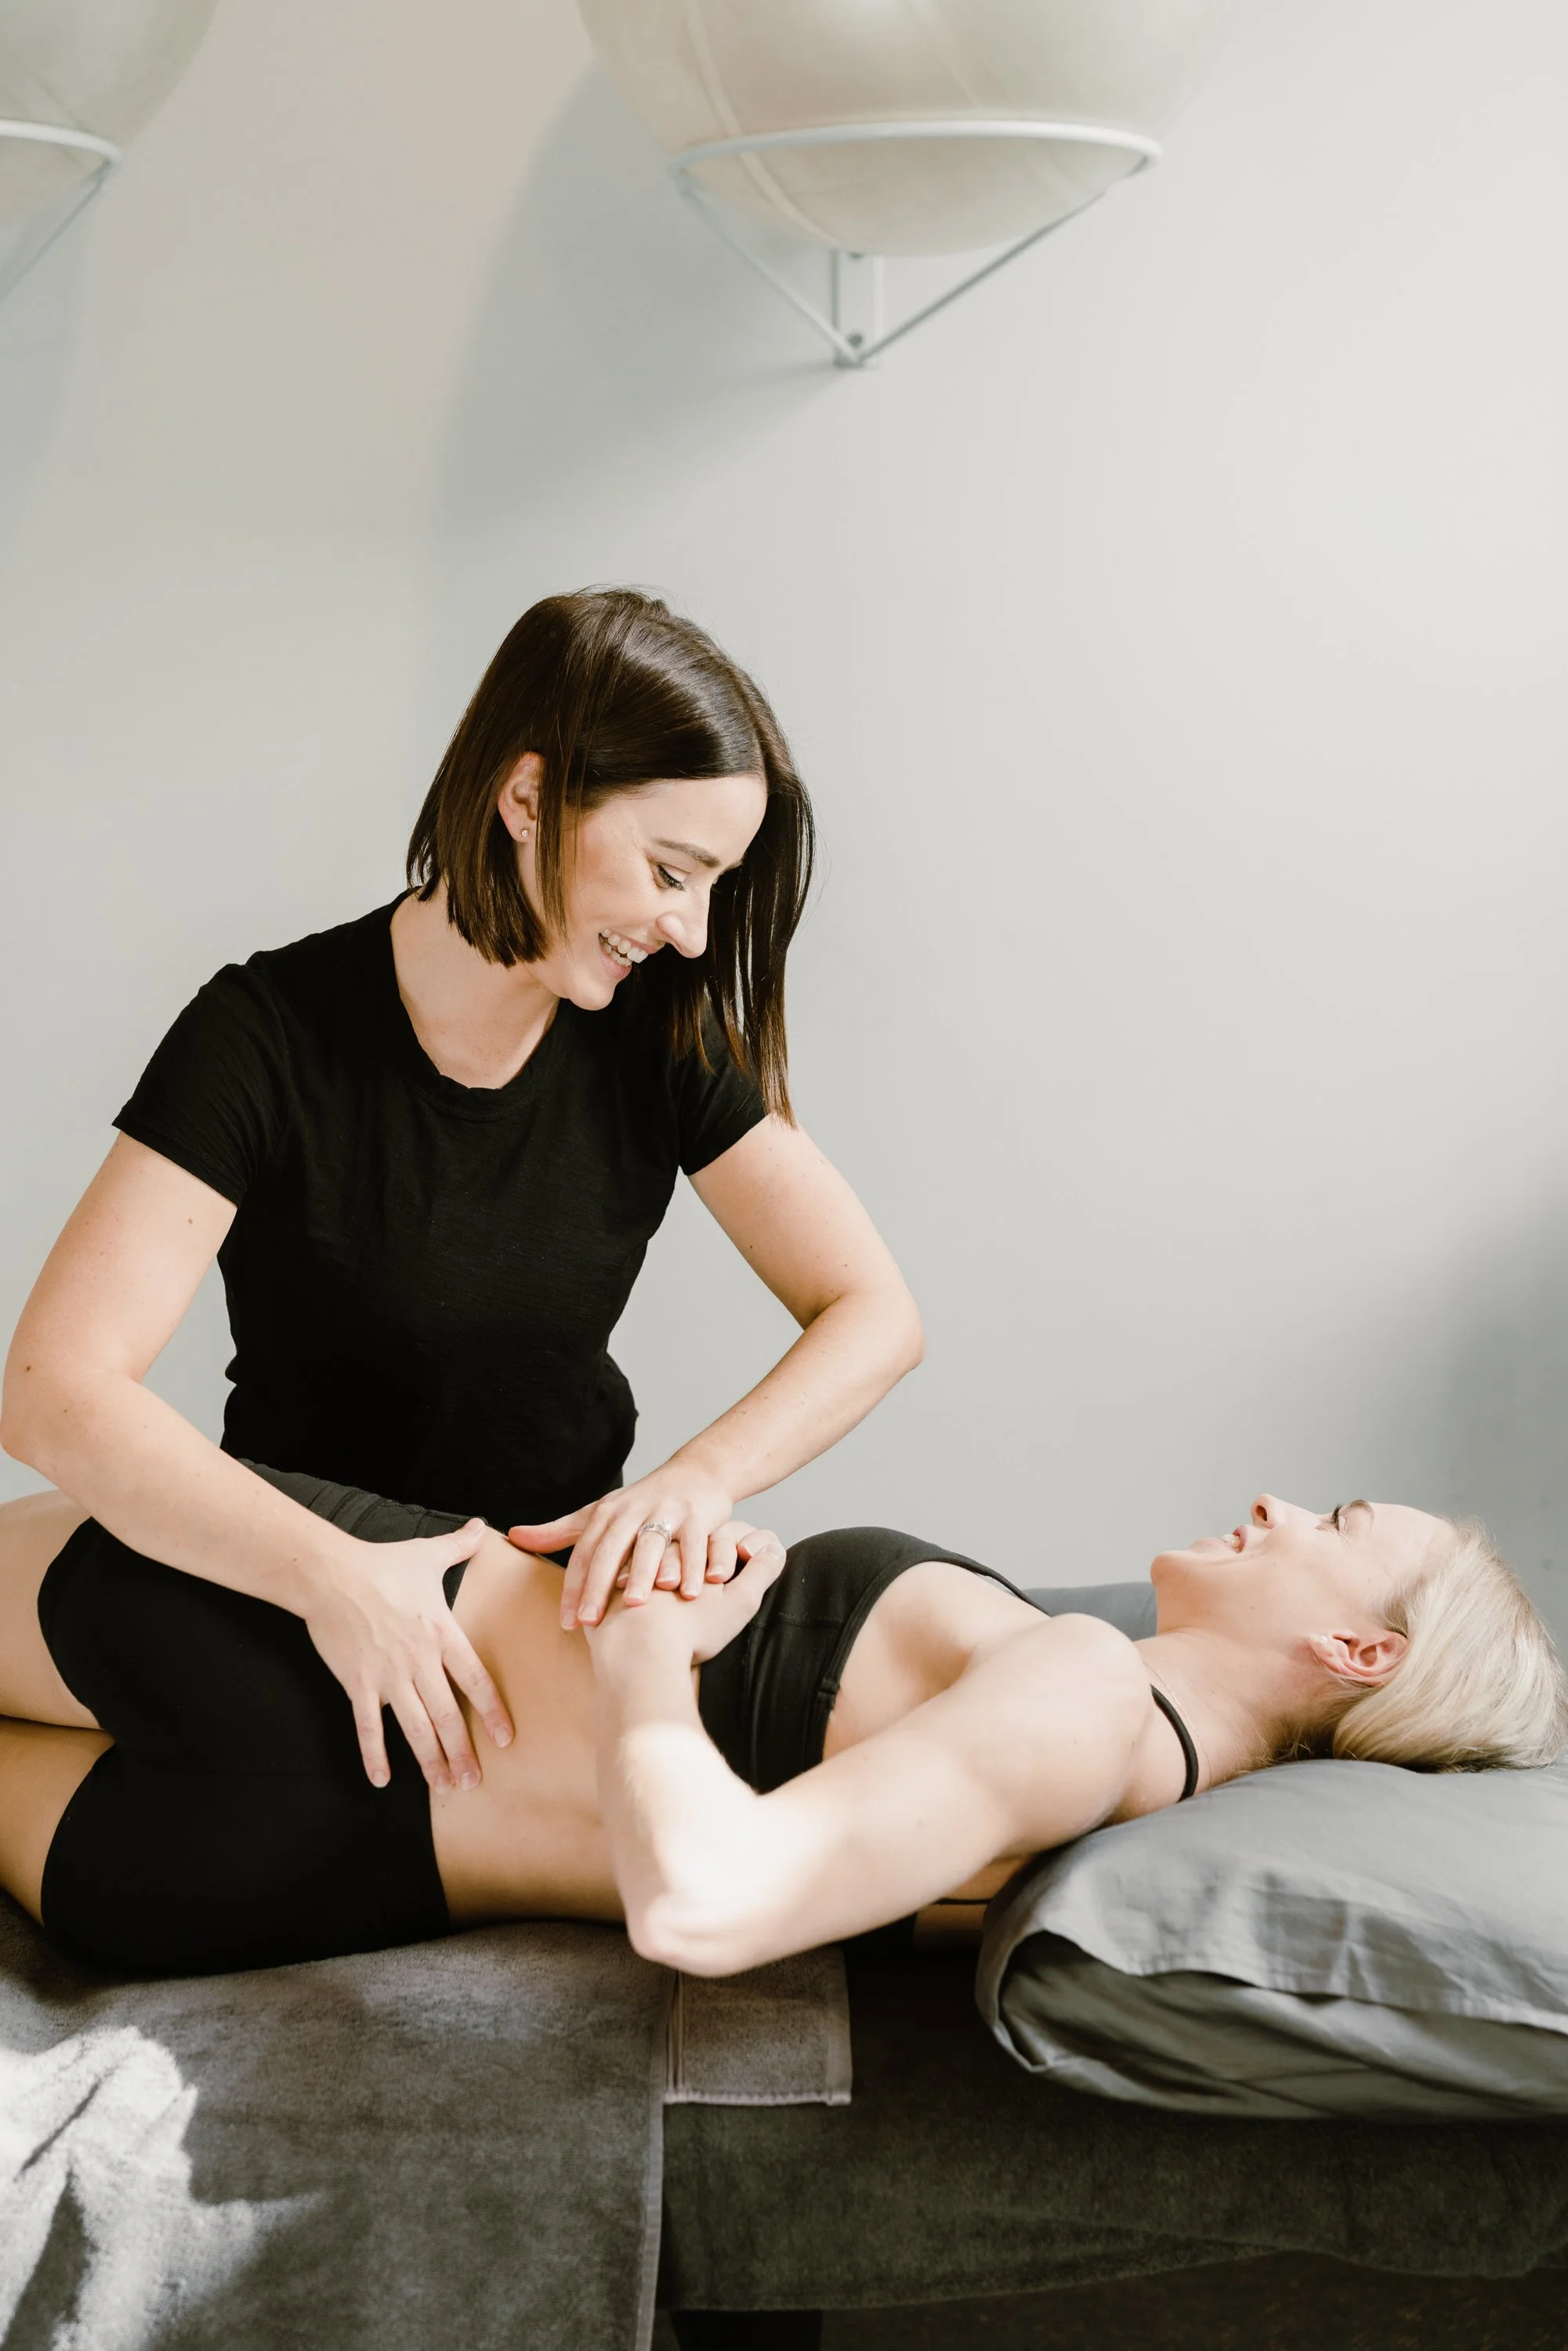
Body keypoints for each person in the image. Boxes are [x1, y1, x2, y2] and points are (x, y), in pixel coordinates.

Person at [0, 590, 923, 1802]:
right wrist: (334, 1579)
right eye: (670, 872)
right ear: (528, 798)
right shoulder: (263, 1035)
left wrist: (698, 1478)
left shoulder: (658, 1044)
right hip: (291, 1586)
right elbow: (53, 1390)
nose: (695, 933)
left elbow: (874, 1311)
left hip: (527, 1603)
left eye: (714, 885)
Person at [0, 1473, 1559, 1978]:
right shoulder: (1123, 1784)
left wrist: (648, 1650)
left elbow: (706, 1903)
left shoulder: (1090, 1693)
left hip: (288, 1642)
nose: (1278, 1504)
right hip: (258, 1875)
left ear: (1358, 1648)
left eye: (1340, 1523)